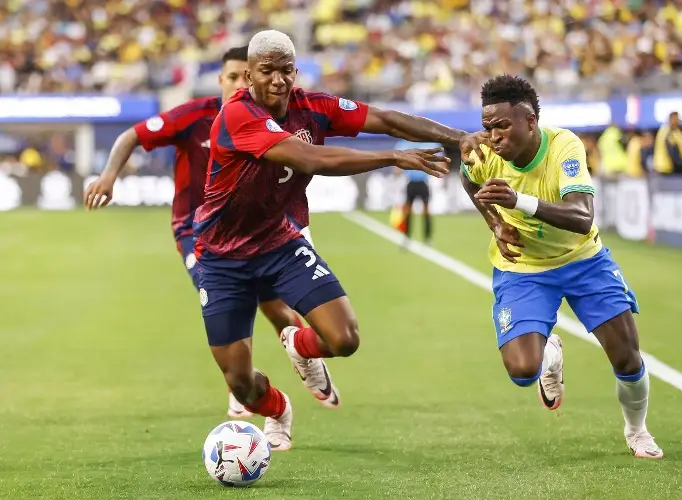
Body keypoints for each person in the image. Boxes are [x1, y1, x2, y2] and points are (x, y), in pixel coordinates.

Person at [195, 30, 484, 451]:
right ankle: (277, 409)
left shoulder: (313, 106)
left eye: (286, 70)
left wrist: (458, 138)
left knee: (344, 339)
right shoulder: (237, 116)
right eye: (267, 71)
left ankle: (297, 343)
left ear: (296, 70)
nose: (278, 79)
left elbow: (384, 119)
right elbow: (309, 157)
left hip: (279, 244)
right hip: (223, 259)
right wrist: (392, 156)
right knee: (241, 383)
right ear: (249, 76)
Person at [82, 47, 310, 419]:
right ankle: (242, 385)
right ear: (220, 80)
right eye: (231, 77)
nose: (239, 83)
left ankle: (305, 357)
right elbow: (132, 135)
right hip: (196, 231)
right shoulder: (195, 115)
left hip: (253, 231)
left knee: (277, 308)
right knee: (231, 293)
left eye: (244, 76)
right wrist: (108, 176)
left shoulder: (267, 117)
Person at [460, 75, 662, 459]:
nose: (494, 136)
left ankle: (637, 432)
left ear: (530, 121)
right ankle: (549, 353)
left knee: (627, 357)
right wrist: (495, 222)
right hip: (523, 267)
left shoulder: (563, 146)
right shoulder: (483, 154)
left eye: (502, 126)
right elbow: (467, 179)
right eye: (488, 128)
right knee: (522, 370)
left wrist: (517, 201)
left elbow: (583, 217)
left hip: (584, 260)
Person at [395, 140, 439, 245]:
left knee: (426, 211)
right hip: (411, 182)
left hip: (423, 182)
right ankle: (406, 236)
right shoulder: (403, 144)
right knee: (408, 211)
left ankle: (427, 238)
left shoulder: (429, 144)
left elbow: (440, 159)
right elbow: (397, 164)